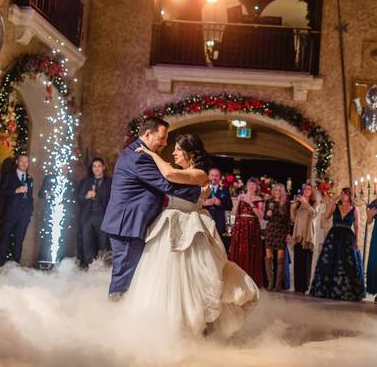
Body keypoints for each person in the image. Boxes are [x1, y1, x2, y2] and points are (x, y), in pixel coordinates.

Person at [132, 134, 258, 338]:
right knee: (164, 274)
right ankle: (163, 323)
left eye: (177, 150)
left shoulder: (200, 174)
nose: (173, 153)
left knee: (192, 275)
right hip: (169, 225)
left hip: (191, 228)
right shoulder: (183, 171)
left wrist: (150, 153)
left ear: (189, 153)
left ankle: (193, 326)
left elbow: (169, 174)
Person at [101, 117, 174, 297]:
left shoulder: (139, 153)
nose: (165, 143)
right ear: (148, 134)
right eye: (162, 138)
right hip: (128, 226)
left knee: (129, 275)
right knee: (124, 275)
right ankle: (113, 313)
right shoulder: (139, 156)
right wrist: (196, 189)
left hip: (131, 224)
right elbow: (165, 184)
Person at [309, 187, 364, 301]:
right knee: (329, 262)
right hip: (334, 236)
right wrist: (332, 201)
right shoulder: (335, 206)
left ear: (350, 196)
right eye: (342, 194)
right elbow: (326, 217)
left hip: (348, 237)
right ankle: (326, 290)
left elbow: (357, 226)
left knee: (346, 263)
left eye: (345, 194)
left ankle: (344, 291)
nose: (343, 196)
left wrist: (357, 241)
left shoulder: (354, 210)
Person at [0, 153, 34, 266]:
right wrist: (15, 191)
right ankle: (0, 265)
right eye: (22, 161)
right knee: (4, 239)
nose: (24, 164)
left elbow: (30, 197)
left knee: (19, 241)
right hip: (10, 213)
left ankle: (15, 266)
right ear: (17, 162)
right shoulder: (8, 176)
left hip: (24, 216)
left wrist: (29, 212)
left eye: (26, 162)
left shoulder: (30, 179)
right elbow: (0, 193)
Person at [76, 157, 112, 267]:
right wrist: (86, 196)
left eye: (99, 166)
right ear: (92, 168)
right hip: (87, 217)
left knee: (103, 245)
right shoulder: (86, 182)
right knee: (87, 244)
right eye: (94, 166)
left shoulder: (110, 182)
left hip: (103, 217)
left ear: (103, 168)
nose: (96, 168)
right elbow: (78, 199)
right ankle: (89, 269)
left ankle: (102, 269)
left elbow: (113, 200)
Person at [229, 177, 265, 287]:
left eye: (254, 185)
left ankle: (250, 279)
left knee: (251, 251)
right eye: (250, 184)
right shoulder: (241, 197)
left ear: (257, 187)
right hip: (240, 227)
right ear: (247, 185)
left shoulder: (259, 199)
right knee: (239, 252)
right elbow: (233, 213)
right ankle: (237, 279)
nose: (251, 186)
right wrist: (238, 201)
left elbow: (261, 215)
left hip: (252, 227)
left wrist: (251, 203)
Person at [37, 164, 73, 263]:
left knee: (62, 240)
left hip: (63, 215)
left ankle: (59, 264)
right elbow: (40, 194)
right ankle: (44, 263)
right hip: (49, 214)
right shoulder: (49, 179)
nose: (63, 170)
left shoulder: (70, 182)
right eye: (61, 168)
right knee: (46, 240)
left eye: (65, 168)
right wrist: (48, 194)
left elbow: (73, 198)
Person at [264, 183, 292, 292]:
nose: (277, 193)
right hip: (270, 230)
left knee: (280, 259)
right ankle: (270, 283)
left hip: (281, 231)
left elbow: (288, 219)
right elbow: (265, 217)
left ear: (283, 192)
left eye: (279, 191)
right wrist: (268, 214)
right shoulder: (269, 202)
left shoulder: (286, 203)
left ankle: (278, 284)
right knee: (268, 258)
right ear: (273, 191)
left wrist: (288, 233)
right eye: (276, 190)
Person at [290, 183, 317, 293]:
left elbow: (314, 214)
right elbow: (293, 219)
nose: (306, 190)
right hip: (298, 235)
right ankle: (297, 287)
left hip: (307, 236)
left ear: (312, 191)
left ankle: (304, 287)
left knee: (306, 262)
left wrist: (305, 203)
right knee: (298, 261)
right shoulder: (298, 203)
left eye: (309, 189)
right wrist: (292, 209)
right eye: (305, 189)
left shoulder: (314, 203)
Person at [204, 167, 233, 249]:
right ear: (208, 176)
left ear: (220, 177)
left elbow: (229, 206)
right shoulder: (202, 188)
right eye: (212, 175)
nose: (214, 178)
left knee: (217, 246)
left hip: (219, 222)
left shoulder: (224, 189)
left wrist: (220, 203)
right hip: (205, 218)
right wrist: (204, 203)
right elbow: (196, 203)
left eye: (216, 176)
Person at [312, 181, 334, 279]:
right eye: (323, 188)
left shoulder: (329, 200)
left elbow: (328, 216)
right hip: (315, 227)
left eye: (326, 188)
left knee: (322, 252)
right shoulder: (315, 199)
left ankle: (321, 275)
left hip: (324, 228)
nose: (325, 190)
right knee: (315, 252)